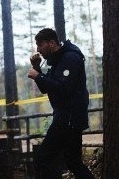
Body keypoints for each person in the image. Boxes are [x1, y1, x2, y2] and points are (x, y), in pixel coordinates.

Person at [28, 28, 95, 179]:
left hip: (69, 118)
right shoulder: (59, 60)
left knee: (43, 159)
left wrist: (38, 76)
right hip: (69, 118)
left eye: (40, 44)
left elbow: (63, 89)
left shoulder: (70, 58)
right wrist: (37, 68)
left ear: (51, 43)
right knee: (73, 162)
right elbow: (47, 88)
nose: (38, 49)